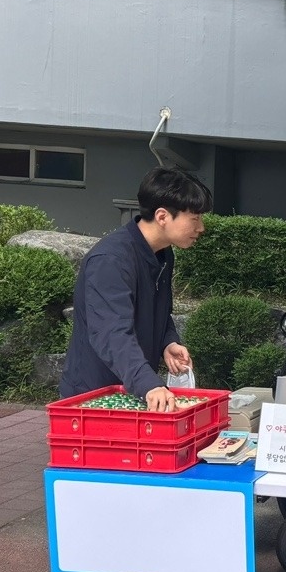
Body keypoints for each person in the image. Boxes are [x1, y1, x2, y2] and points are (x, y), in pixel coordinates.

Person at [59, 167, 211, 412]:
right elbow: (111, 332)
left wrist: (167, 342)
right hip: (94, 397)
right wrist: (149, 384)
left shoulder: (162, 253)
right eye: (195, 219)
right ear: (162, 217)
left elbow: (157, 311)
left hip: (130, 391)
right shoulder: (110, 260)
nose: (201, 227)